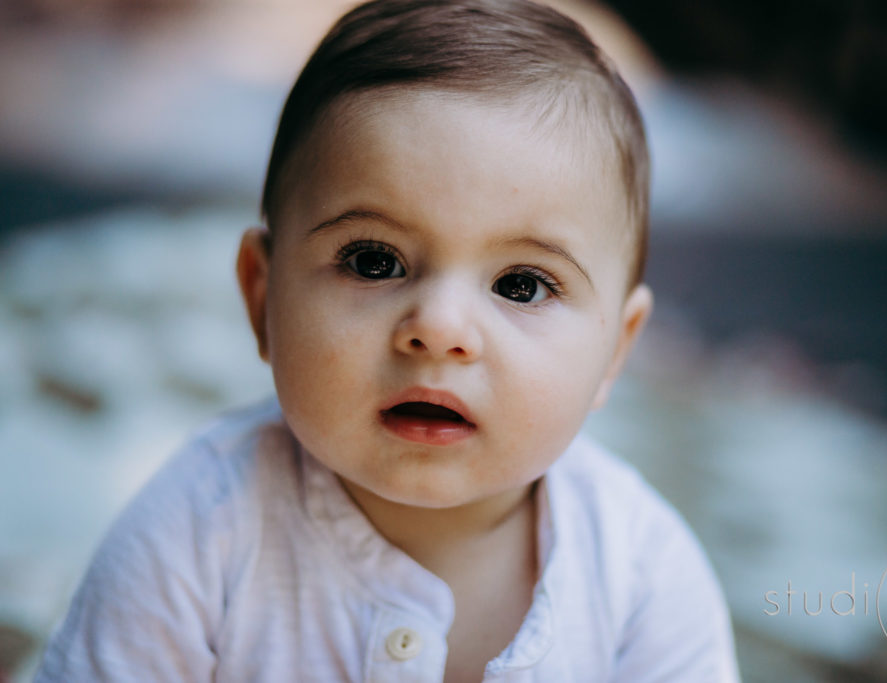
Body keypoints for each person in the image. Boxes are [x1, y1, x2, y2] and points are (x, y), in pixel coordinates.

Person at [35, 0, 738, 680]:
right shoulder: (195, 531)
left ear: (617, 348)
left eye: (522, 284)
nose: (438, 328)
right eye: (374, 261)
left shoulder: (643, 572)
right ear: (261, 298)